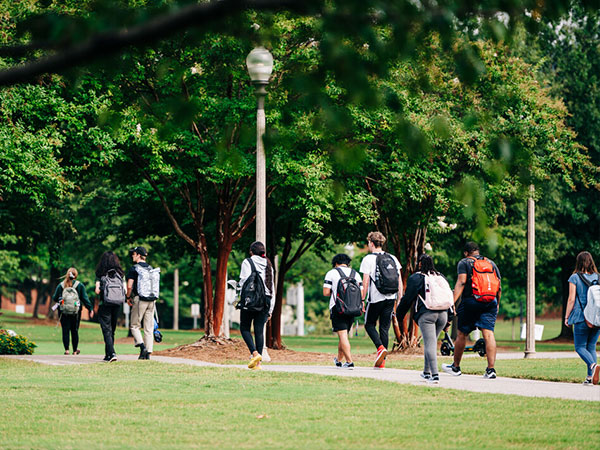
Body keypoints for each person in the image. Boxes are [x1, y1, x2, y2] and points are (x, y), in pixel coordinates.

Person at [442, 242, 501, 379]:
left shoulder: (464, 262)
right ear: (478, 251)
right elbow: (498, 285)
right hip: (490, 302)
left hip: (471, 301)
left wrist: (452, 302)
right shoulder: (491, 263)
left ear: (465, 253)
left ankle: (456, 367)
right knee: (489, 334)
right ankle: (491, 370)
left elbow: (461, 282)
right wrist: (497, 303)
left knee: (462, 334)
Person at [396, 254, 453, 384]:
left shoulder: (417, 278)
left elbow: (407, 299)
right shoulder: (440, 277)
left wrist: (399, 315)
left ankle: (435, 375)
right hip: (443, 315)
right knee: (431, 343)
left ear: (420, 264)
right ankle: (426, 372)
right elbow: (449, 297)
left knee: (429, 344)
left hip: (427, 315)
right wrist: (449, 319)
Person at [360, 231, 403, 369]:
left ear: (371, 243)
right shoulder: (392, 258)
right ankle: (382, 362)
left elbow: (365, 281)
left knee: (369, 324)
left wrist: (362, 299)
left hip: (375, 298)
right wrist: (399, 298)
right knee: (384, 328)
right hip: (391, 298)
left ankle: (380, 348)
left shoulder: (368, 259)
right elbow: (399, 280)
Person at [238, 241, 275, 370]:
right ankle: (258, 364)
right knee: (259, 330)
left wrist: (240, 299)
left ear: (251, 252)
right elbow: (272, 288)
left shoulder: (247, 262)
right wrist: (270, 309)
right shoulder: (269, 265)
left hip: (252, 300)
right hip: (266, 301)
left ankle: (254, 354)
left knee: (244, 327)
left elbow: (244, 282)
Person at [564, 251, 600, 385]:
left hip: (581, 317)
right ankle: (590, 377)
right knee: (591, 347)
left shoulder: (574, 278)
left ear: (578, 262)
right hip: (596, 317)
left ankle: (593, 365)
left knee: (579, 347)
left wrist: (567, 317)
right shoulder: (598, 277)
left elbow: (571, 299)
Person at [323, 253, 363, 369]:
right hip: (353, 308)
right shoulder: (355, 274)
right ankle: (339, 360)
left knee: (343, 335)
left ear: (336, 263)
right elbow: (361, 292)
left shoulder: (331, 273)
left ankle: (349, 362)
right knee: (343, 335)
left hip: (338, 307)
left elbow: (326, 292)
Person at [52, 267, 92, 355]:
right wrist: (90, 309)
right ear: (76, 275)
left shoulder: (61, 285)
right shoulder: (79, 285)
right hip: (76, 312)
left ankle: (67, 350)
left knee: (65, 330)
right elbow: (85, 299)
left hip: (63, 312)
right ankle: (74, 351)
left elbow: (54, 298)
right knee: (75, 330)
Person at [95, 251, 126, 363]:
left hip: (105, 304)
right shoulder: (120, 274)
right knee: (112, 329)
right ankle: (108, 354)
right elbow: (124, 289)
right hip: (117, 304)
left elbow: (97, 291)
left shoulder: (100, 274)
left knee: (106, 329)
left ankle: (112, 353)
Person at [126, 246, 156, 360]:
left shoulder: (134, 269)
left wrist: (128, 297)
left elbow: (129, 286)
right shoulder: (150, 268)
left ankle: (142, 347)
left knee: (134, 326)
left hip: (140, 299)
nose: (132, 256)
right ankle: (148, 353)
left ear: (138, 255)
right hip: (152, 300)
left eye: (133, 254)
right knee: (148, 327)